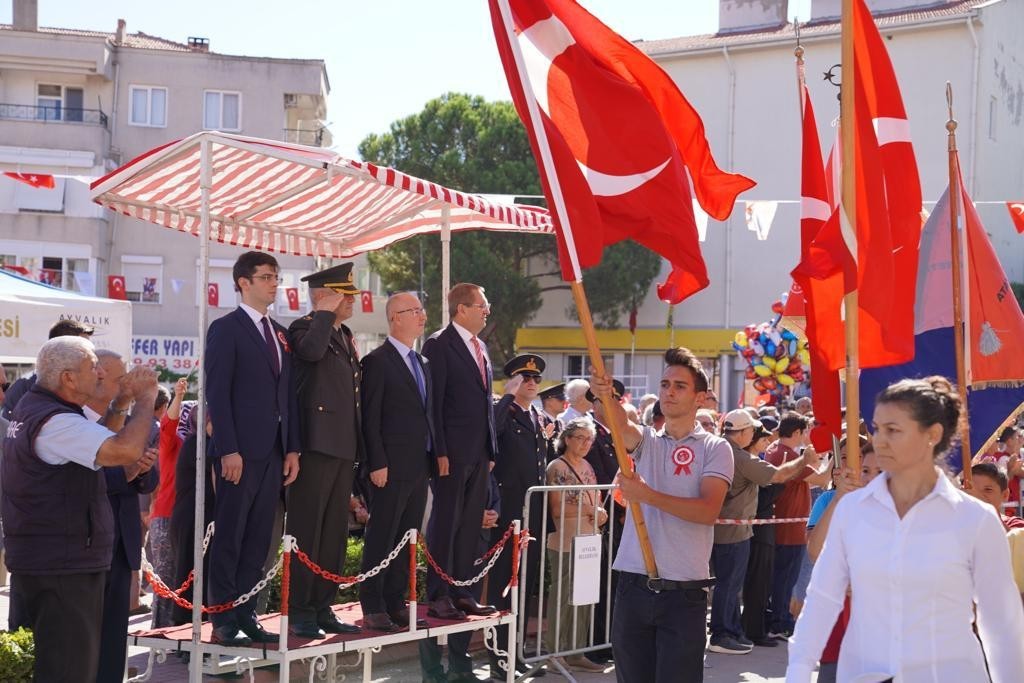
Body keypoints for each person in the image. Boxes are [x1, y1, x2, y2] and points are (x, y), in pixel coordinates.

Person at [786, 376, 1024, 683]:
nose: (879, 441)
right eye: (877, 428)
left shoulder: (974, 519)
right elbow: (821, 600)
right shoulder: (852, 510)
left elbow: (1001, 626)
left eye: (893, 430)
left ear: (932, 434)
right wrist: (798, 673)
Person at [2, 337, 158, 682]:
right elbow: (123, 451)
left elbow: (95, 444)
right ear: (68, 378)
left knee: (69, 664)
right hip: (62, 563)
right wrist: (147, 398)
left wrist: (120, 403)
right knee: (70, 669)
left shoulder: (41, 411)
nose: (100, 373)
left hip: (54, 559)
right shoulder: (55, 421)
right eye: (93, 367)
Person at [591, 347, 734, 683]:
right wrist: (604, 393)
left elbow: (707, 510)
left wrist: (647, 496)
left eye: (680, 386)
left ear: (700, 397)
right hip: (633, 586)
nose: (669, 391)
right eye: (665, 384)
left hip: (684, 593)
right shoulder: (648, 441)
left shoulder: (716, 448)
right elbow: (618, 422)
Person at [204, 251, 301, 647]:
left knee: (260, 538)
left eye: (276, 277)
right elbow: (217, 392)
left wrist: (292, 448)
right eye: (265, 277)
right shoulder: (226, 329)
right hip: (239, 452)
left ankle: (247, 612)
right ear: (243, 282)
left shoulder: (280, 332)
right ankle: (223, 617)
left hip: (274, 451)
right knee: (231, 533)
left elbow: (287, 396)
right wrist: (228, 448)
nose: (273, 284)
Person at [285, 263, 364, 638]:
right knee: (308, 531)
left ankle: (322, 605)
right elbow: (311, 354)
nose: (351, 300)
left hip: (343, 445)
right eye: (342, 293)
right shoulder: (305, 328)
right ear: (322, 296)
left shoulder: (345, 334)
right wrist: (322, 315)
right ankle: (300, 608)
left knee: (333, 533)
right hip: (315, 445)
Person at [709, 410, 820, 655]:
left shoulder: (719, 448)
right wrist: (804, 460)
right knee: (729, 585)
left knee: (729, 584)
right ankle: (721, 633)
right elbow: (777, 475)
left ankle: (729, 630)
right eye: (751, 430)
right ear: (743, 432)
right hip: (732, 531)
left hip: (728, 529)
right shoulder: (736, 455)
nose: (755, 434)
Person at [358, 292, 434, 633]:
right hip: (388, 466)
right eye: (413, 311)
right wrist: (376, 462)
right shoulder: (377, 361)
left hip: (419, 466)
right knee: (382, 535)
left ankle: (394, 600)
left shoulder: (422, 362)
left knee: (407, 536)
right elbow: (370, 418)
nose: (421, 316)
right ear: (394, 318)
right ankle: (372, 603)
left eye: (421, 309)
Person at [421, 283, 498, 619]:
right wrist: (438, 449)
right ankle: (438, 594)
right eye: (482, 305)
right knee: (446, 520)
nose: (487, 310)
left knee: (469, 523)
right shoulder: (439, 344)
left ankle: (462, 591)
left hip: (479, 452)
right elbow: (433, 404)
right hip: (450, 452)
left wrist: (491, 448)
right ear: (461, 309)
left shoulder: (481, 346)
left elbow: (485, 402)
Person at [90, 350, 160, 683]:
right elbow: (90, 478)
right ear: (97, 378)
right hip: (87, 543)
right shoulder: (78, 420)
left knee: (115, 638)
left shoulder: (137, 422)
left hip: (122, 540)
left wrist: (142, 471)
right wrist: (128, 472)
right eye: (121, 379)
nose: (127, 385)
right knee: (86, 639)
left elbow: (148, 478)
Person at [488, 354, 553, 679]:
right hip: (508, 511)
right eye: (524, 377)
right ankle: (500, 658)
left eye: (535, 379)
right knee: (504, 584)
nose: (531, 383)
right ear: (512, 380)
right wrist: (508, 395)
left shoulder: (537, 417)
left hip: (533, 513)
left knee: (524, 584)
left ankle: (517, 652)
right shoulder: (503, 409)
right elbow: (489, 433)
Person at [803, 441, 881, 683]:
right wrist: (838, 499)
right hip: (838, 629)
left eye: (878, 471)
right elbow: (815, 553)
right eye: (846, 457)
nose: (856, 468)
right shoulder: (829, 501)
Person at [544, 418, 607, 674]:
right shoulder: (557, 467)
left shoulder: (588, 466)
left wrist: (600, 513)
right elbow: (557, 508)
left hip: (588, 539)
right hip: (565, 541)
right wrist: (592, 509)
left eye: (589, 439)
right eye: (580, 437)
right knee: (562, 597)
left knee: (584, 597)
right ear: (567, 438)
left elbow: (597, 498)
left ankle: (576, 651)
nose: (585, 443)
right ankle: (554, 653)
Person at [765, 412, 820, 640]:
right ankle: (780, 622)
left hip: (782, 526)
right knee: (784, 580)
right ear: (797, 432)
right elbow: (821, 479)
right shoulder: (790, 456)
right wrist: (825, 458)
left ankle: (778, 620)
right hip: (790, 529)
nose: (806, 436)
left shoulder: (774, 450)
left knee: (779, 579)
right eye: (804, 431)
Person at [149, 378, 190, 628]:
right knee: (165, 578)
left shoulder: (200, 445)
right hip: (165, 516)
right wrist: (178, 397)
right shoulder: (171, 442)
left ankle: (177, 631)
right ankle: (160, 632)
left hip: (187, 517)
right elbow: (169, 423)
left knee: (181, 578)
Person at [1, 318, 95, 420]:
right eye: (85, 350)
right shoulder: (26, 386)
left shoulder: (84, 386)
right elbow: (9, 428)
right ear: (62, 348)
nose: (91, 355)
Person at [966, 462, 1024, 599]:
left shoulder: (1015, 525)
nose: (977, 496)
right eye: (972, 490)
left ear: (1005, 495)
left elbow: (1015, 543)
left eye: (988, 490)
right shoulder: (957, 527)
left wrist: (986, 510)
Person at [539, 382, 566, 463]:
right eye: (560, 399)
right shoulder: (540, 422)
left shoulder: (560, 423)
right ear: (549, 401)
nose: (564, 402)